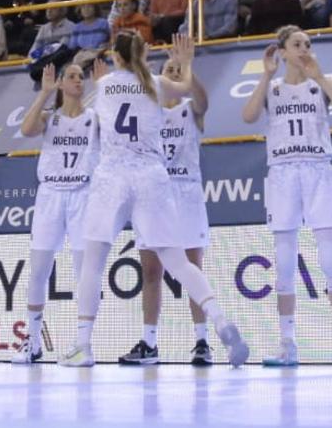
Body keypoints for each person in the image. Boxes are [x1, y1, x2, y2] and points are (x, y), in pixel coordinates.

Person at [59, 33, 248, 368]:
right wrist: (186, 63)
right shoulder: (157, 84)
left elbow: (93, 122)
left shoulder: (102, 87)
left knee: (92, 263)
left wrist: (104, 79)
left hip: (112, 175)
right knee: (178, 262)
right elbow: (186, 86)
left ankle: (82, 345)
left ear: (116, 58)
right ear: (143, 55)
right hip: (151, 175)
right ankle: (220, 321)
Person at [241, 26, 332, 367]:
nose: (305, 49)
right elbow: (248, 116)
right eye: (297, 44)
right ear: (282, 51)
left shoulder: (321, 83)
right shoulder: (273, 89)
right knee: (283, 264)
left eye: (308, 44)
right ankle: (287, 343)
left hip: (317, 170)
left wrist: (321, 77)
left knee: (329, 259)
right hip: (282, 173)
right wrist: (265, 76)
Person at [117, 55, 213, 367]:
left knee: (192, 268)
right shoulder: (149, 114)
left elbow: (203, 100)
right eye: (168, 70)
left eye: (178, 69)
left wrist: (189, 71)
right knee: (150, 271)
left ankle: (202, 341)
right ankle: (149, 342)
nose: (173, 73)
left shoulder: (190, 110)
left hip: (185, 192)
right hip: (154, 194)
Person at [11, 64, 99, 364]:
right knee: (38, 270)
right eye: (72, 76)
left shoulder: (95, 118)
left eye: (80, 77)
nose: (78, 80)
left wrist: (102, 89)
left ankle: (83, 344)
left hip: (83, 196)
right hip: (50, 195)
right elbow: (26, 129)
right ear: (61, 83)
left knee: (84, 271)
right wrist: (45, 93)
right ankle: (32, 342)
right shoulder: (51, 118)